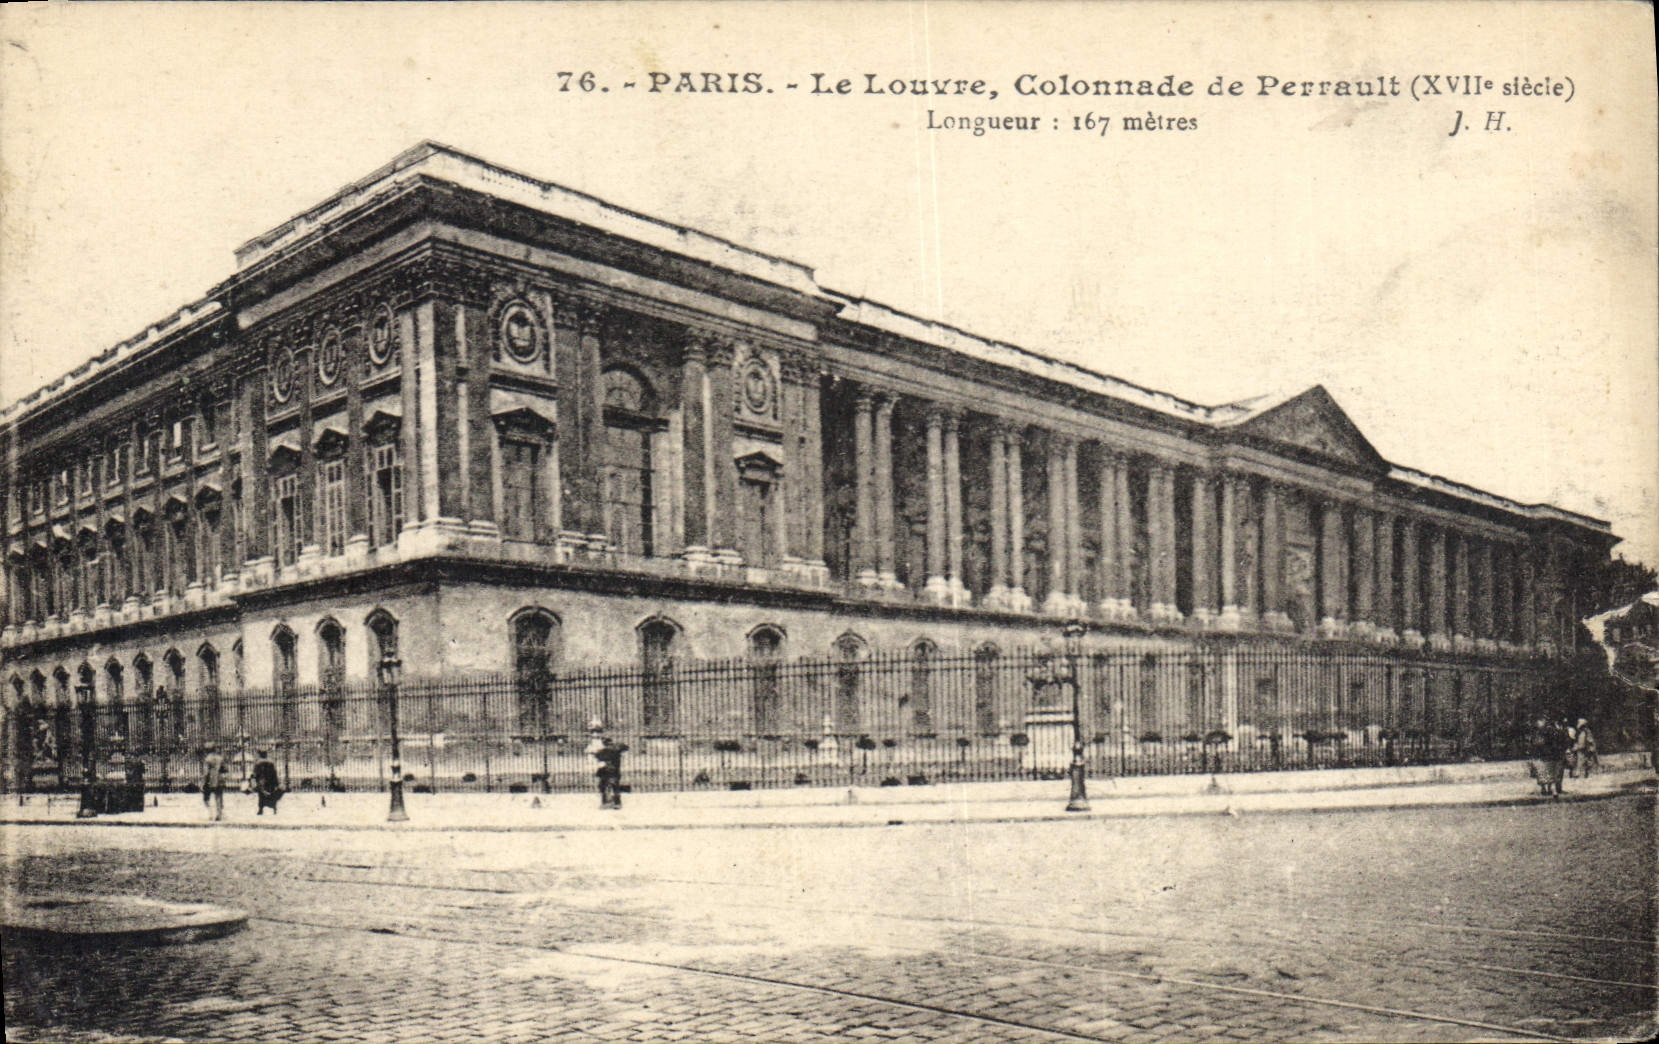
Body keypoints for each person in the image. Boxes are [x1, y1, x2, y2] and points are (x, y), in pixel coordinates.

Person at [587, 720, 627, 810]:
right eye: (593, 732)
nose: (595, 734)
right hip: (607, 769)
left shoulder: (604, 746)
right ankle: (610, 802)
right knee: (607, 785)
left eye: (597, 731)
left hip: (608, 769)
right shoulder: (597, 744)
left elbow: (597, 754)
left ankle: (613, 802)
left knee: (610, 784)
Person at [251, 749, 283, 815]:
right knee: (272, 794)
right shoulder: (271, 762)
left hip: (262, 781)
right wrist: (276, 782)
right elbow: (274, 772)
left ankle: (261, 809)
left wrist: (255, 779)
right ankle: (274, 808)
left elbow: (256, 773)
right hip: (270, 781)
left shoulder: (258, 763)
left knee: (261, 795)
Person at [201, 743, 226, 821]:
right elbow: (225, 769)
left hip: (210, 780)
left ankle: (211, 813)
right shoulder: (220, 758)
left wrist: (203, 782)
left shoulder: (207, 759)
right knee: (218, 797)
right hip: (219, 779)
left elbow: (206, 773)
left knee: (206, 798)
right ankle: (219, 814)